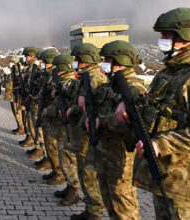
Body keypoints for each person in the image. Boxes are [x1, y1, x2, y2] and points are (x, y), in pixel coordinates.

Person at [115, 8, 190, 220]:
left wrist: (160, 145)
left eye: (167, 35)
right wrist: (125, 105)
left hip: (189, 188)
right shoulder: (167, 74)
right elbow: (151, 110)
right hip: (166, 180)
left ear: (187, 37)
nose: (162, 40)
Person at [83, 40, 145, 219]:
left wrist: (100, 122)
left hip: (121, 159)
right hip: (105, 155)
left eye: (108, 60)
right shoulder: (108, 86)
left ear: (120, 60)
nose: (104, 64)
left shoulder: (134, 89)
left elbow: (131, 122)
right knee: (110, 204)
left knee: (124, 208)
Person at [66, 43, 107, 220]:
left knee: (90, 176)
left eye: (78, 59)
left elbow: (99, 108)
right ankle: (90, 209)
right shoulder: (86, 78)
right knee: (84, 174)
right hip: (82, 133)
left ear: (86, 60)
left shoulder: (95, 79)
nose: (75, 62)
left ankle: (95, 212)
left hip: (89, 136)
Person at [45, 54, 81, 205]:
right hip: (62, 126)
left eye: (57, 67)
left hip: (67, 127)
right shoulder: (64, 81)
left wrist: (47, 111)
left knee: (69, 159)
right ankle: (69, 186)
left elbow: (66, 105)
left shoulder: (70, 81)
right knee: (63, 157)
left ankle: (74, 190)